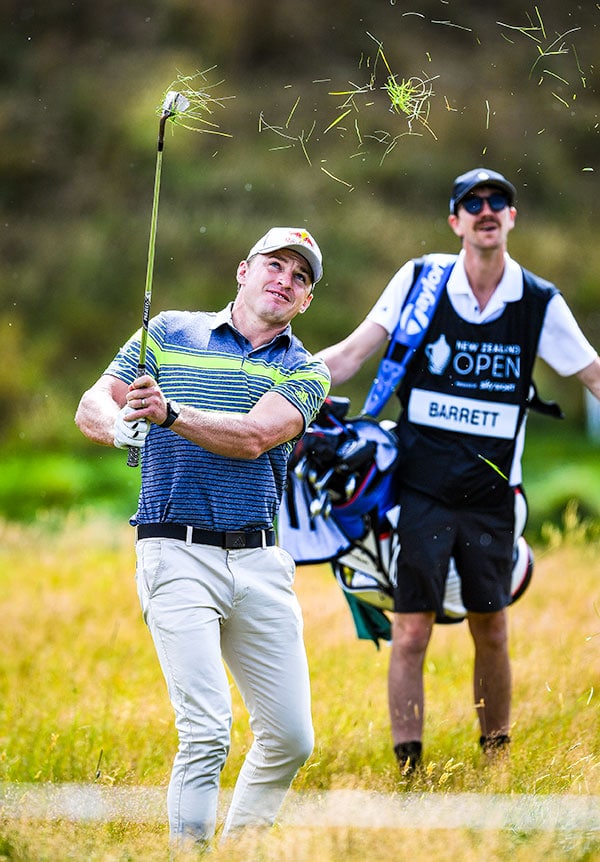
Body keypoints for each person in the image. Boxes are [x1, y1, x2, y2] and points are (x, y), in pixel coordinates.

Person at [317, 168, 600, 773]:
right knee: (412, 631)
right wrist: (264, 382)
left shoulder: (538, 301)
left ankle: (495, 761)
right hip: (419, 493)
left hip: (493, 497)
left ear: (512, 218)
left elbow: (594, 375)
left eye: (499, 200)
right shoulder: (420, 282)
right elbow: (346, 356)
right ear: (455, 221)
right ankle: (410, 770)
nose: (486, 208)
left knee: (491, 630)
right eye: (471, 202)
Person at [75, 227, 330, 848]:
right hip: (174, 549)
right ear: (244, 270)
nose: (285, 280)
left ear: (305, 303)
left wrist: (168, 416)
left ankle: (241, 852)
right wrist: (121, 429)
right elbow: (91, 403)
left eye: (301, 277)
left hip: (261, 560)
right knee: (208, 731)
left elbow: (253, 437)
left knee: (292, 737)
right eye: (276, 265)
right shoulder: (166, 331)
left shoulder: (305, 369)